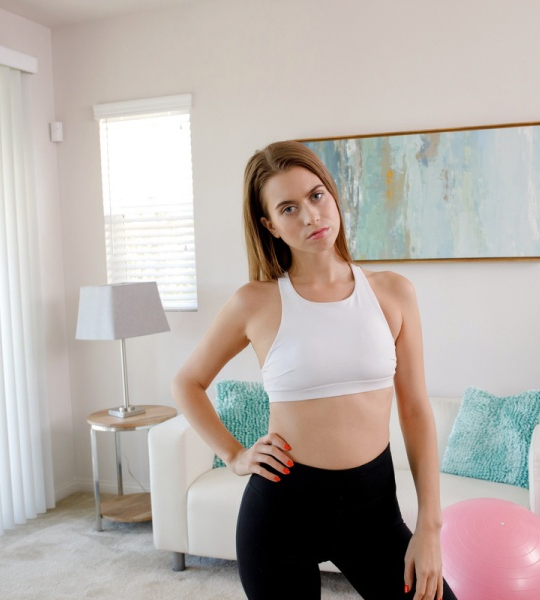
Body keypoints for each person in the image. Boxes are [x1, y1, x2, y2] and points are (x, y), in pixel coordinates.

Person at [172, 140, 456, 600]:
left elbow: (415, 410)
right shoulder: (255, 302)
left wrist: (430, 527)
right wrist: (234, 455)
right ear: (269, 224)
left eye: (316, 195)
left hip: (373, 510)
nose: (310, 216)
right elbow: (187, 382)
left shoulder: (393, 293)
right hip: (280, 515)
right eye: (288, 208)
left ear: (332, 195)